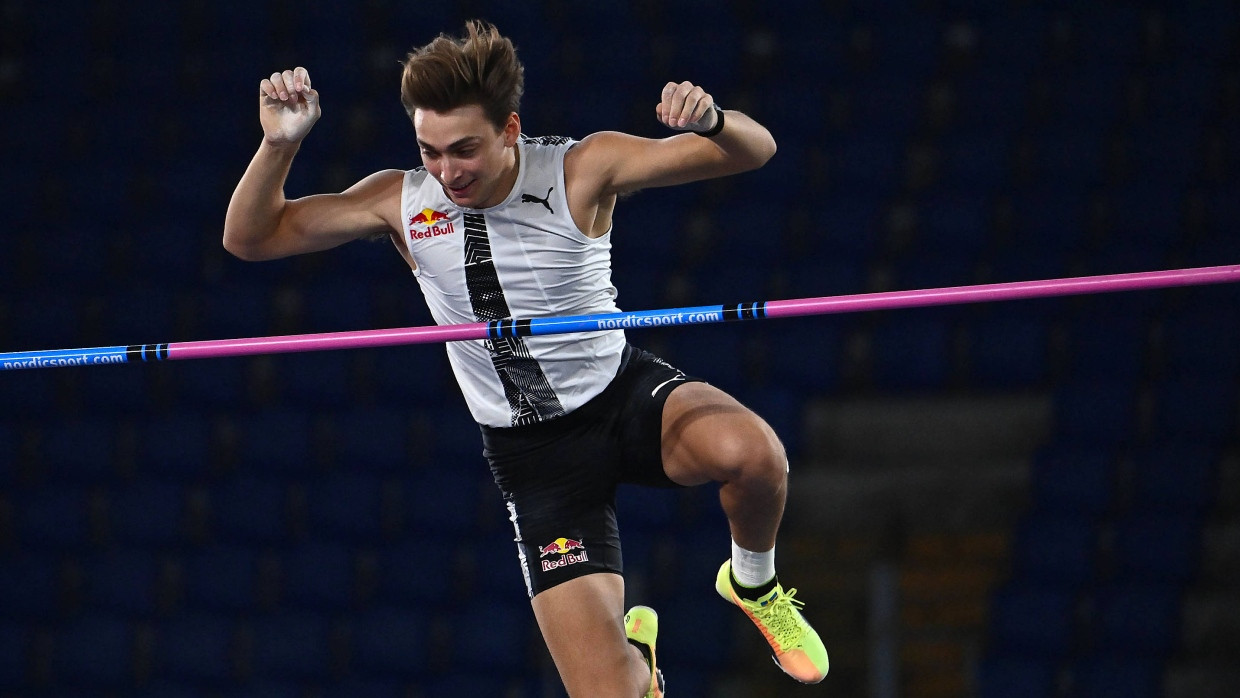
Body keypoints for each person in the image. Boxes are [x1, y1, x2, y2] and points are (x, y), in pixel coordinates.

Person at [223, 20, 828, 698]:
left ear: (510, 128)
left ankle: (754, 583)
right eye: (430, 151)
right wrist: (278, 145)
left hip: (621, 399)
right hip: (536, 461)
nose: (448, 171)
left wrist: (713, 120)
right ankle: (639, 669)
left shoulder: (582, 168)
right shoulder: (400, 201)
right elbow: (250, 238)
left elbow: (754, 150)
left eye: (465, 150)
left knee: (757, 457)